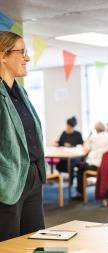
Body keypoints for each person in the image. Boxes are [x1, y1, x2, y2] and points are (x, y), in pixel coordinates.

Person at [0, 31, 47, 241]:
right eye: (22, 52)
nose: (27, 58)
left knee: (35, 240)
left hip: (32, 175)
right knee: (9, 243)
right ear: (3, 55)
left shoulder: (20, 92)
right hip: (8, 180)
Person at [73, 121, 108, 199]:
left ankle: (80, 193)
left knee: (79, 167)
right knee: (82, 165)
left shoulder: (94, 137)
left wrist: (89, 136)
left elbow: (85, 148)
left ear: (96, 129)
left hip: (96, 166)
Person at [56, 116, 83, 183]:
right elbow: (60, 142)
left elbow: (81, 145)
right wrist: (57, 143)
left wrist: (71, 146)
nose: (68, 128)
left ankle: (70, 182)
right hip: (65, 156)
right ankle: (60, 181)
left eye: (69, 127)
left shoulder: (78, 134)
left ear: (73, 127)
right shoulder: (64, 133)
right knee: (59, 165)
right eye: (67, 126)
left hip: (76, 157)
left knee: (70, 164)